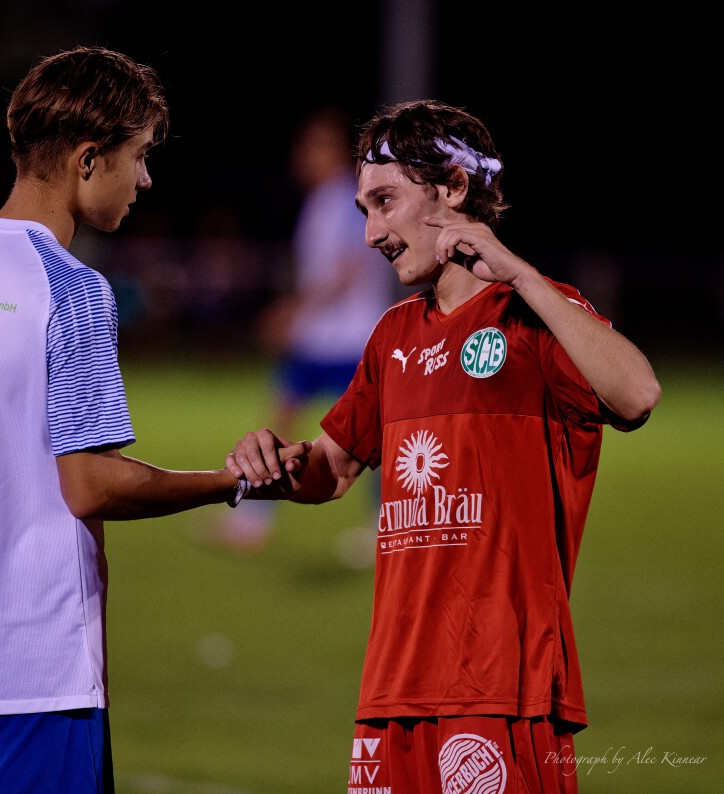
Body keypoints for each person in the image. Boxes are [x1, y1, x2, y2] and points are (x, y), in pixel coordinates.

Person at [0, 46, 304, 793]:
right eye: (139, 158)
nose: (145, 180)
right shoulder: (70, 289)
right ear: (88, 159)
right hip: (33, 663)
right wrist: (230, 482)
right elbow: (91, 485)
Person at [225, 99, 662, 793]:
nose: (371, 233)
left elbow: (636, 394)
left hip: (502, 692)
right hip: (391, 696)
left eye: (385, 203)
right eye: (364, 209)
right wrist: (274, 462)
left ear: (453, 188)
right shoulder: (394, 335)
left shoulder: (534, 317)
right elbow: (333, 469)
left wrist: (520, 276)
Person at [207, 106, 395, 559]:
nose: (304, 156)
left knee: (372, 438)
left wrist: (295, 309)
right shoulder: (320, 201)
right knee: (280, 421)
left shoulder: (349, 198)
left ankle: (384, 528)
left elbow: (350, 267)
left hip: (350, 337)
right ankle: (253, 519)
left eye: (314, 146)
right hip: (319, 338)